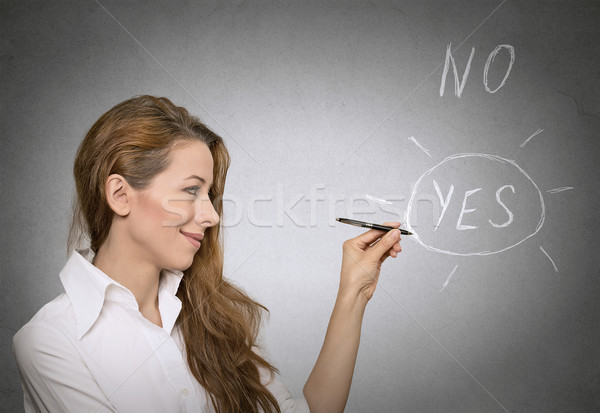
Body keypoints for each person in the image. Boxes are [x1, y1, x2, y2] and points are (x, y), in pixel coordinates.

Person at [12, 95, 404, 413]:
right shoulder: (50, 343)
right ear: (120, 195)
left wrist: (354, 291)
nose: (212, 215)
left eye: (210, 194)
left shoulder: (211, 318)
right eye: (191, 190)